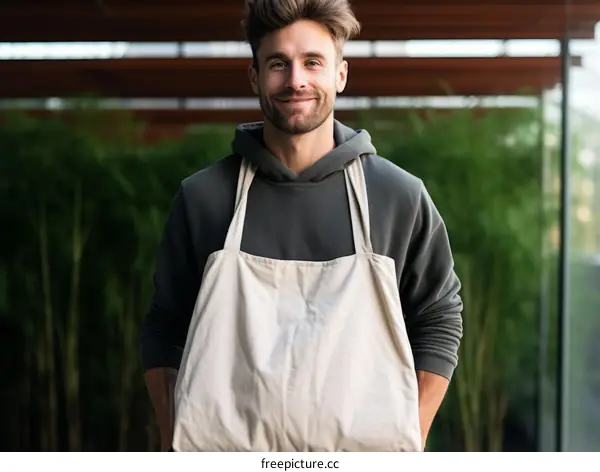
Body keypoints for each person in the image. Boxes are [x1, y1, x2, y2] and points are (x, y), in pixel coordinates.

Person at [140, 0, 463, 453]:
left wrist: (408, 440)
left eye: (313, 62)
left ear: (340, 74)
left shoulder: (396, 196)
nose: (296, 81)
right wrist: (176, 438)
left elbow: (439, 318)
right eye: (278, 64)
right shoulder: (204, 198)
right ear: (255, 76)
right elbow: (165, 328)